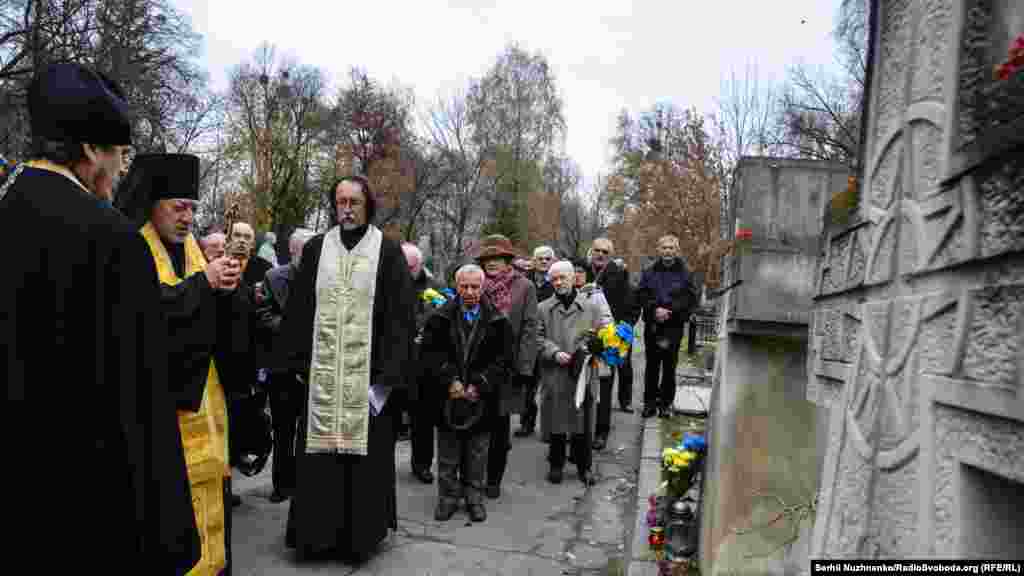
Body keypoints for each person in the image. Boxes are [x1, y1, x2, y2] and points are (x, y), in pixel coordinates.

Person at [1, 62, 200, 574]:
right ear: (90, 150)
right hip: (86, 514)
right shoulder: (111, 239)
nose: (121, 172)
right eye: (119, 155)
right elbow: (140, 401)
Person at [116, 152, 252, 576]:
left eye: (192, 208)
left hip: (206, 406)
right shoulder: (132, 247)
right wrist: (203, 284)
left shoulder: (192, 250)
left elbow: (213, 324)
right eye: (178, 207)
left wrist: (227, 292)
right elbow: (144, 315)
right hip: (158, 412)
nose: (187, 218)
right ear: (153, 204)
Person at [282, 175, 416, 560]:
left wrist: (388, 377)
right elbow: (300, 309)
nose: (347, 209)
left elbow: (400, 317)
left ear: (367, 205)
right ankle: (316, 537)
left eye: (354, 202)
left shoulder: (386, 251)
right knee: (319, 461)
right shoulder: (316, 249)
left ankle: (359, 539)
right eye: (341, 201)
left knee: (364, 464)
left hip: (368, 379)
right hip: (323, 377)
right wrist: (298, 362)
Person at [419, 264, 511, 522]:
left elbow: (504, 360)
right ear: (456, 286)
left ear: (483, 287)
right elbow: (429, 355)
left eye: (475, 286)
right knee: (448, 452)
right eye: (464, 286)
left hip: (482, 398)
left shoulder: (498, 320)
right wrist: (451, 380)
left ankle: (474, 498)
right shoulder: (439, 318)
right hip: (447, 397)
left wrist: (479, 384)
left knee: (477, 452)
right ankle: (448, 498)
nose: (469, 291)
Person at [536, 260, 612, 486]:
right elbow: (536, 338)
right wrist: (554, 352)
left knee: (583, 421)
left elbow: (604, 335)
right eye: (554, 279)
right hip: (556, 371)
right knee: (557, 419)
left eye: (563, 278)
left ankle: (584, 467)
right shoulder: (543, 308)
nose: (559, 282)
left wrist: (596, 346)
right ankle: (556, 464)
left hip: (584, 373)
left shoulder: (591, 307)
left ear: (573, 278)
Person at [475, 235, 538, 499]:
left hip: (507, 368)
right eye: (487, 258)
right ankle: (473, 478)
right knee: (476, 424)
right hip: (477, 366)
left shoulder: (524, 287)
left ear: (508, 260)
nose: (491, 263)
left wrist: (525, 367)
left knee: (500, 427)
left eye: (497, 258)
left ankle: (493, 479)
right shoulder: (474, 283)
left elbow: (530, 328)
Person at [259, 228, 313, 502]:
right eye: (307, 249)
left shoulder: (321, 279)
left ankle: (305, 482)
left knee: (309, 431)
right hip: (282, 368)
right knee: (283, 430)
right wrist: (293, 327)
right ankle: (281, 484)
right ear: (293, 250)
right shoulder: (273, 277)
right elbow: (264, 316)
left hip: (312, 367)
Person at [635, 235, 699, 419]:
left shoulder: (686, 273)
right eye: (664, 247)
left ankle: (665, 404)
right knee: (652, 366)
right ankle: (649, 403)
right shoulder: (649, 271)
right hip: (653, 325)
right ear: (659, 250)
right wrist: (655, 309)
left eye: (671, 248)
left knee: (670, 367)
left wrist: (670, 310)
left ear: (677, 250)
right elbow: (641, 294)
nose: (668, 251)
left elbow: (690, 298)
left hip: (673, 326)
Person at [586, 238, 637, 450]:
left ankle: (601, 432)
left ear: (611, 255)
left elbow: (632, 306)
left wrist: (621, 332)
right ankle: (579, 429)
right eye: (597, 250)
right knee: (580, 385)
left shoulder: (619, 275)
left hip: (608, 339)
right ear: (591, 251)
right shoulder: (582, 271)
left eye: (605, 252)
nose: (600, 254)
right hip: (583, 336)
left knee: (604, 386)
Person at [401, 242, 443, 484]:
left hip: (424, 362)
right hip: (397, 358)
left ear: (419, 265)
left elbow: (444, 316)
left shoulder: (434, 286)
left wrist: (425, 325)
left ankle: (422, 464)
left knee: (423, 419)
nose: (406, 271)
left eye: (410, 267)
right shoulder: (390, 281)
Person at [516, 244, 557, 437]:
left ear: (553, 261)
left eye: (547, 258)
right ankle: (527, 423)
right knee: (528, 385)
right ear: (533, 261)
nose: (544, 262)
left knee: (551, 385)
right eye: (540, 258)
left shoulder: (557, 280)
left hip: (550, 338)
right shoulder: (524, 281)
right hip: (529, 338)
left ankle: (551, 426)